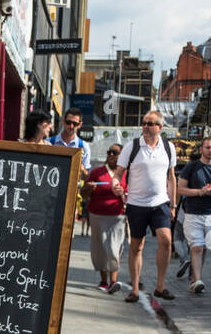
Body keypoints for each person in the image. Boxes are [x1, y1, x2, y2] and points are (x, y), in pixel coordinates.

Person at [113, 110, 177, 303]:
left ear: (160, 127)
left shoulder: (168, 147)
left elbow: (171, 177)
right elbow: (118, 173)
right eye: (144, 123)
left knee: (166, 240)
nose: (145, 127)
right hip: (136, 204)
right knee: (136, 246)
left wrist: (173, 205)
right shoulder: (131, 147)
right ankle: (134, 289)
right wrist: (115, 184)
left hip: (160, 202)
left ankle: (160, 286)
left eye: (150, 123)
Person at [177, 136, 211, 294]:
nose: (210, 151)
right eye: (207, 147)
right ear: (201, 149)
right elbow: (181, 189)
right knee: (197, 246)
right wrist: (199, 192)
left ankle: (194, 277)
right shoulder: (191, 167)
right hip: (192, 214)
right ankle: (197, 279)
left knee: (203, 247)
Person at [85, 143, 125, 291]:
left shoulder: (125, 174)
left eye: (115, 153)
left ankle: (113, 281)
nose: (111, 155)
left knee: (115, 248)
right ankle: (103, 281)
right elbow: (84, 193)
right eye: (109, 152)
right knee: (100, 247)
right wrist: (88, 188)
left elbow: (129, 193)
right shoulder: (97, 172)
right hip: (97, 215)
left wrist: (122, 192)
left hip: (117, 216)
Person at [50, 108, 91, 175]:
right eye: (68, 122)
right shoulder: (49, 143)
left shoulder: (84, 146)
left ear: (80, 125)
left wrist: (82, 169)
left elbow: (87, 176)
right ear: (63, 121)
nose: (71, 126)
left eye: (75, 124)